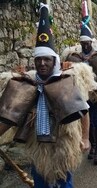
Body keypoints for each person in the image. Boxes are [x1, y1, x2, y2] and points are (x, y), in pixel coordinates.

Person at [0, 3, 90, 187]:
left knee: (64, 182)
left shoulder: (64, 82)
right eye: (38, 59)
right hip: (38, 145)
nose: (42, 63)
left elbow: (84, 111)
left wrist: (85, 138)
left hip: (62, 143)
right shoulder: (27, 84)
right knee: (40, 182)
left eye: (46, 59)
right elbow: (10, 116)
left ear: (54, 61)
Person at [66, 3, 97, 165]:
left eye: (87, 42)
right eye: (83, 43)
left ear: (91, 42)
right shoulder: (74, 56)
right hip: (82, 96)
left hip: (96, 94)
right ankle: (93, 146)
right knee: (85, 123)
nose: (85, 45)